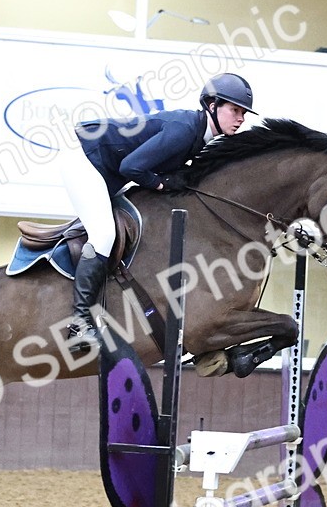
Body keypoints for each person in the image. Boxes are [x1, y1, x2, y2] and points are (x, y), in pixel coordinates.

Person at [58, 72, 256, 350]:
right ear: (212, 105)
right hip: (84, 161)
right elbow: (131, 167)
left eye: (244, 113)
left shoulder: (201, 136)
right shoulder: (185, 129)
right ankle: (78, 326)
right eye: (235, 110)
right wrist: (162, 183)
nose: (241, 118)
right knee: (103, 236)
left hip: (106, 171)